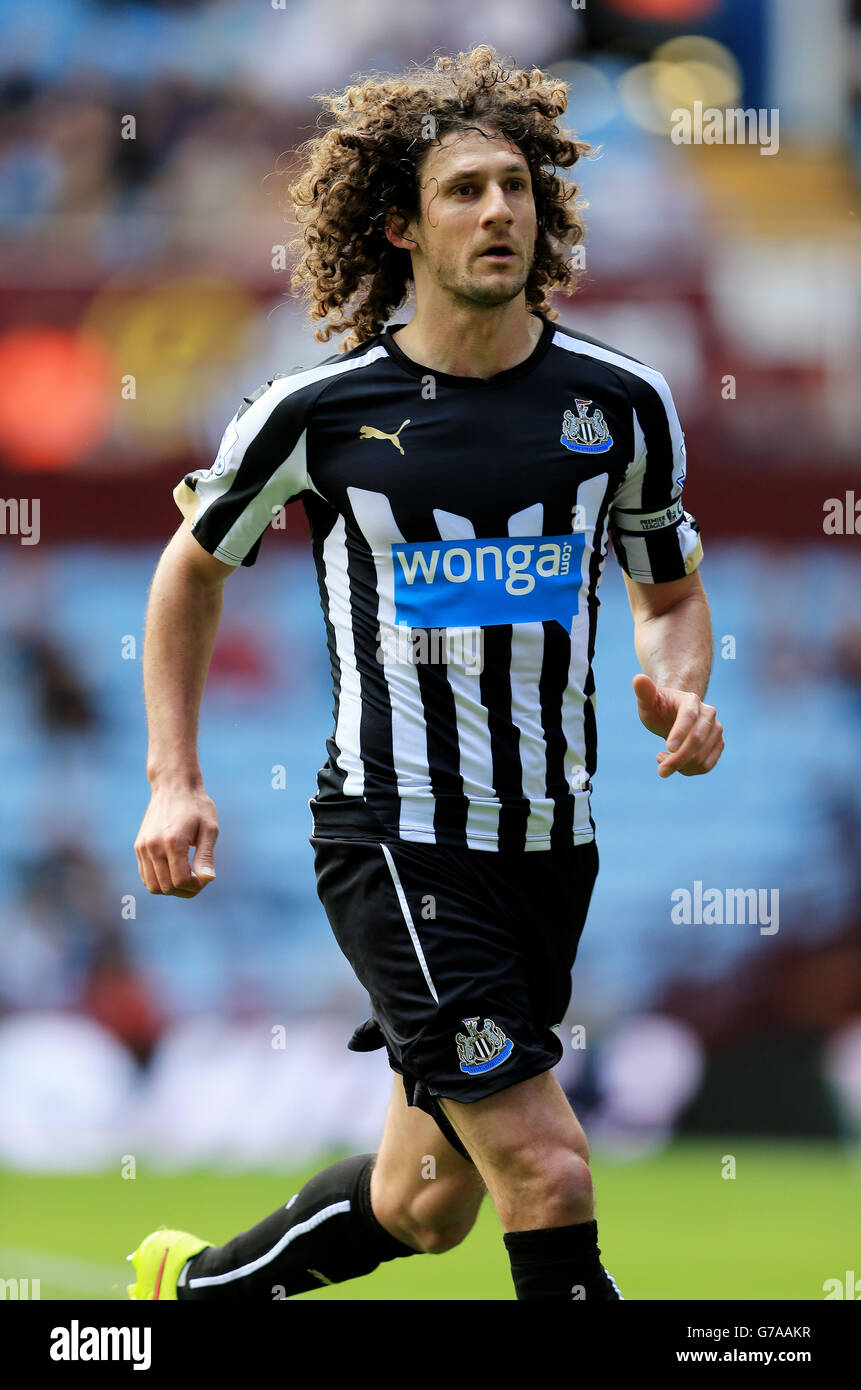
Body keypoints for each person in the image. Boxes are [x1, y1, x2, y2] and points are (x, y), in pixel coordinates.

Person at [128, 44, 724, 1303]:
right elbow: (189, 569)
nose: (500, 209)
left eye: (516, 186)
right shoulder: (317, 412)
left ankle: (189, 1299)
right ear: (399, 225)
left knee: (425, 1202)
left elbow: (667, 588)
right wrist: (173, 778)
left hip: (552, 846)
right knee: (551, 1173)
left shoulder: (623, 404)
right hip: (397, 838)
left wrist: (680, 679)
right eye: (464, 190)